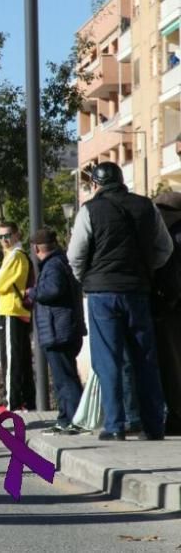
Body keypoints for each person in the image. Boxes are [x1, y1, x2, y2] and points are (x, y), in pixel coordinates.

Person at [68, 161, 172, 441]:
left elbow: (75, 255)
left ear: (96, 185)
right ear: (121, 180)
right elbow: (165, 248)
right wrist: (146, 270)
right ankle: (153, 426)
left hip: (102, 296)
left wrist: (87, 279)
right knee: (145, 359)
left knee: (108, 361)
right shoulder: (146, 206)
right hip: (138, 292)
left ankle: (115, 426)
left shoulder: (89, 210)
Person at [29, 228, 86, 435]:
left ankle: (75, 421)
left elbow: (52, 290)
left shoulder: (53, 265)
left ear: (36, 248)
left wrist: (33, 292)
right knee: (63, 378)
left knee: (66, 379)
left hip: (58, 331)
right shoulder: (61, 261)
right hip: (62, 329)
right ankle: (64, 418)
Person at [0, 221, 36, 411]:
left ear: (17, 234)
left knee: (10, 359)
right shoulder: (15, 255)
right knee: (21, 358)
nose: (4, 240)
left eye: (7, 235)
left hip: (11, 310)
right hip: (18, 311)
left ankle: (12, 404)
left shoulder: (15, 256)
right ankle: (26, 401)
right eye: (0, 236)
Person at [152, 191, 181, 435]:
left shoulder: (170, 236)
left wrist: (165, 301)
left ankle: (176, 419)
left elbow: (169, 276)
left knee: (172, 366)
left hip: (172, 309)